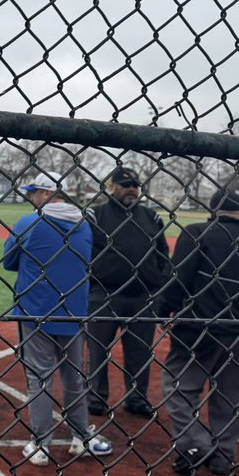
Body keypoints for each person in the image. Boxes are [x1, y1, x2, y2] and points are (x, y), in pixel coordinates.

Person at [156, 184, 239, 476]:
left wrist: (163, 309)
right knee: (232, 396)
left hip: (199, 328)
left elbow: (178, 278)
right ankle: (221, 456)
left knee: (179, 387)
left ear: (213, 210)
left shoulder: (197, 233)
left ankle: (195, 444)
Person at [2, 172, 113, 466]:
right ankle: (81, 437)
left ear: (45, 193)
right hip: (74, 311)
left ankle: (40, 444)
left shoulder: (30, 222)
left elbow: (9, 261)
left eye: (35, 192)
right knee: (73, 377)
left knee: (39, 378)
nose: (32, 197)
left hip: (35, 310)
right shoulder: (85, 224)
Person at [85, 166, 172, 419]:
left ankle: (137, 398)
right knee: (98, 349)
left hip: (142, 297)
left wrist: (157, 288)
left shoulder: (151, 217)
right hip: (104, 293)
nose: (130, 190)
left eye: (134, 185)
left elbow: (162, 256)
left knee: (140, 351)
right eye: (125, 185)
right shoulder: (96, 215)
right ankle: (96, 397)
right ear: (113, 187)